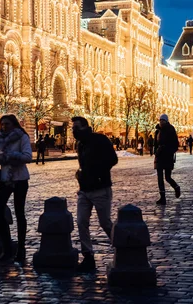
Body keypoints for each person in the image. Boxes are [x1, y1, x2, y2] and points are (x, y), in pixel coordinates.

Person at [72, 116, 117, 273]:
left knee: (105, 223)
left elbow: (113, 159)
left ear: (85, 127)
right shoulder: (80, 144)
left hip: (100, 188)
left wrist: (96, 173)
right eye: (73, 128)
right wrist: (81, 174)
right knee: (81, 221)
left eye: (76, 127)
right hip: (84, 190)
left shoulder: (100, 140)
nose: (74, 130)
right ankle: (88, 256)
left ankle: (123, 250)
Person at [0, 114, 32, 264]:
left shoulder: (22, 137)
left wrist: (10, 155)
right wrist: (0, 157)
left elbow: (28, 156)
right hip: (5, 179)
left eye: (7, 124)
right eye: (2, 124)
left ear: (14, 124)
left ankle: (21, 249)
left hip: (20, 179)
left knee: (20, 213)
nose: (4, 127)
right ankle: (6, 247)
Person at [154, 114, 181, 205]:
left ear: (166, 121)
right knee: (159, 178)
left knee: (167, 177)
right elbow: (155, 144)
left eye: (163, 120)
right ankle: (162, 197)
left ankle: (176, 187)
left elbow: (175, 144)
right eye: (160, 120)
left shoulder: (170, 129)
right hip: (159, 156)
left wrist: (168, 151)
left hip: (167, 156)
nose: (161, 122)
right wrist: (156, 151)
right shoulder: (157, 131)